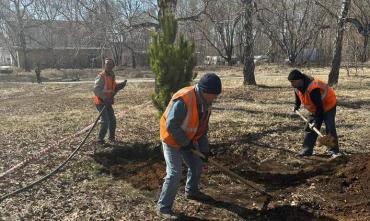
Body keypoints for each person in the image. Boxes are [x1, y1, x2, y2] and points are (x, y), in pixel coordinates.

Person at [156, 73, 222, 219]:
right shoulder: (185, 99)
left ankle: (191, 191)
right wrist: (185, 143)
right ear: (204, 91)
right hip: (171, 139)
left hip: (188, 140)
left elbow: (203, 129)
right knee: (175, 173)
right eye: (214, 95)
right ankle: (163, 207)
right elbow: (171, 125)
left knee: (197, 164)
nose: (215, 98)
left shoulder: (206, 103)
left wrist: (204, 150)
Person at [288, 69, 339, 157]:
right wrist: (296, 105)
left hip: (328, 105)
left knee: (330, 126)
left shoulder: (312, 88)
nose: (291, 84)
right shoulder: (296, 87)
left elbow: (319, 108)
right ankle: (306, 151)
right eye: (290, 82)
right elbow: (298, 96)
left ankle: (334, 151)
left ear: (300, 80)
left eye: (293, 81)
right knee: (309, 128)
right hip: (315, 108)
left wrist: (315, 122)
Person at [93, 58, 126, 145]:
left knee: (112, 120)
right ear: (105, 65)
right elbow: (96, 90)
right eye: (107, 64)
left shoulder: (111, 75)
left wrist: (120, 86)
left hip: (107, 102)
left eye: (110, 64)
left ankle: (111, 138)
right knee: (105, 121)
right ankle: (100, 140)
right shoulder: (101, 76)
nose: (108, 66)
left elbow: (113, 88)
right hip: (100, 102)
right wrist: (104, 98)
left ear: (113, 66)